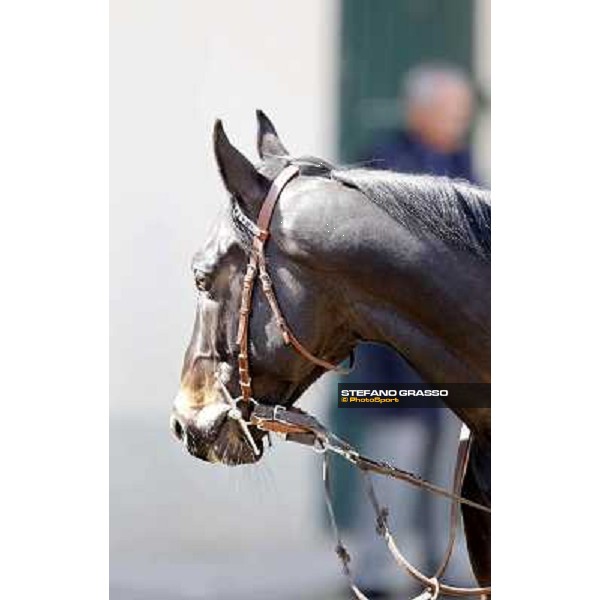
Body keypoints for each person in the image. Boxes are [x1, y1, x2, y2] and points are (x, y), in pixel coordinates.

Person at [330, 63, 478, 597]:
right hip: (394, 357)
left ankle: (447, 565)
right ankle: (379, 570)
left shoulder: (463, 163)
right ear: (420, 111)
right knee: (393, 462)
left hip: (452, 354)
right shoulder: (385, 161)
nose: (459, 121)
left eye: (463, 111)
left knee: (451, 468)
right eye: (450, 111)